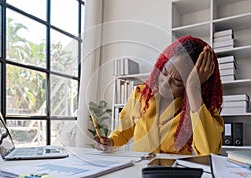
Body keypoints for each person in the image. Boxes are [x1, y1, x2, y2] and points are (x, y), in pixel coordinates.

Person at [94, 35, 224, 155]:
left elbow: (208, 153)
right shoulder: (141, 95)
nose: (165, 82)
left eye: (178, 81)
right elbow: (123, 132)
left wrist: (193, 89)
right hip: (139, 173)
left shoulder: (202, 107)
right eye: (165, 72)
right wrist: (110, 142)